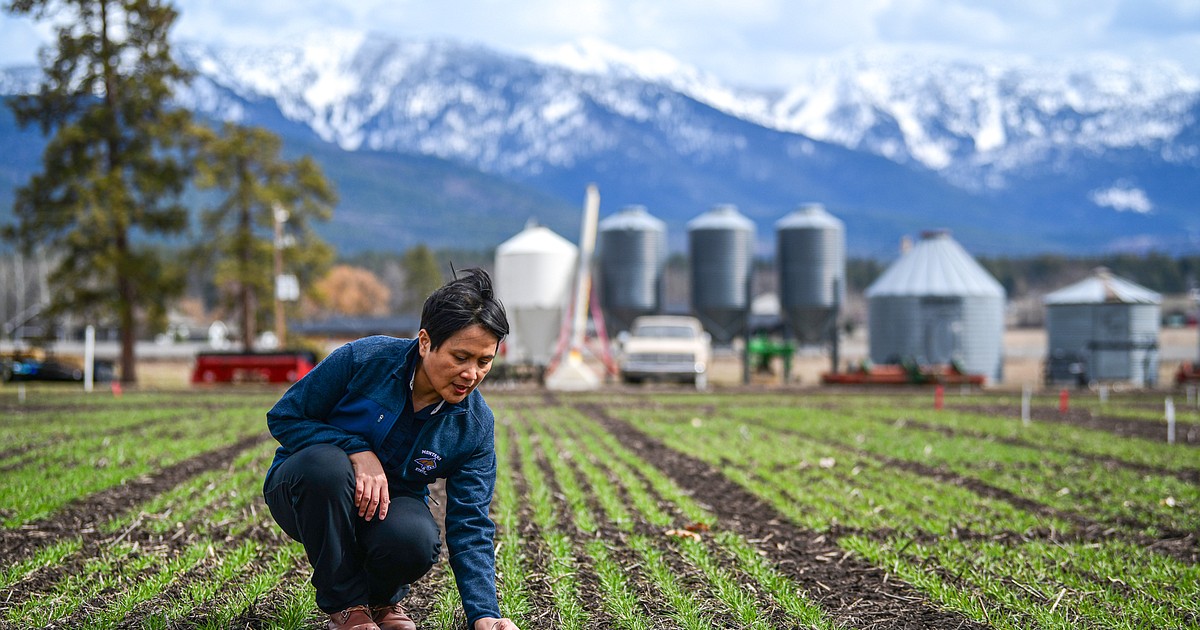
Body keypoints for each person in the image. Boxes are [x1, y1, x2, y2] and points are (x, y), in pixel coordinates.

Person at [263, 268, 521, 630]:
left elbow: (470, 524)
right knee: (328, 466)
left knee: (415, 538)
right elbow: (284, 417)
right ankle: (347, 606)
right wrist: (355, 449)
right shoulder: (364, 360)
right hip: (305, 490)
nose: (471, 374)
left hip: (386, 506)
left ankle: (382, 600)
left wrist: (485, 616)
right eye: (461, 357)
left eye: (484, 361)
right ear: (425, 342)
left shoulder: (474, 426)